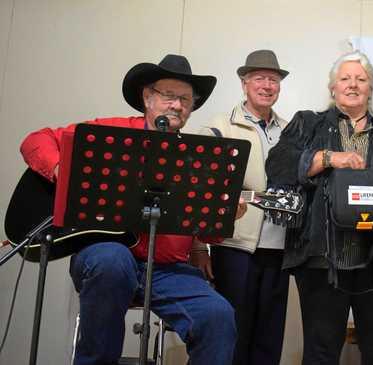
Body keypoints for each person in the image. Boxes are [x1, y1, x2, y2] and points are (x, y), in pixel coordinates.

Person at [19, 54, 239, 365]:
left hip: (167, 270)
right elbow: (36, 140)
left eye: (185, 100)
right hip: (104, 256)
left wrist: (224, 213)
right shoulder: (111, 132)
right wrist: (61, 170)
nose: (177, 105)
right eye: (169, 96)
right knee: (112, 259)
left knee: (219, 316)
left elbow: (204, 231)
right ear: (148, 98)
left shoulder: (196, 159)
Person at [265, 51, 373, 365]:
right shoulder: (307, 123)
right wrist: (328, 158)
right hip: (321, 260)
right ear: (332, 89)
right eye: (345, 79)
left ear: (370, 89)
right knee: (321, 352)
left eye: (361, 79)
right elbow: (278, 165)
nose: (353, 85)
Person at [189, 49, 291, 365]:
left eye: (273, 79)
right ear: (244, 84)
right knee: (233, 333)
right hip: (234, 247)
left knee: (269, 338)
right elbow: (197, 194)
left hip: (280, 249)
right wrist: (198, 248)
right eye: (260, 78)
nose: (267, 85)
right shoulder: (219, 128)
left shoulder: (291, 131)